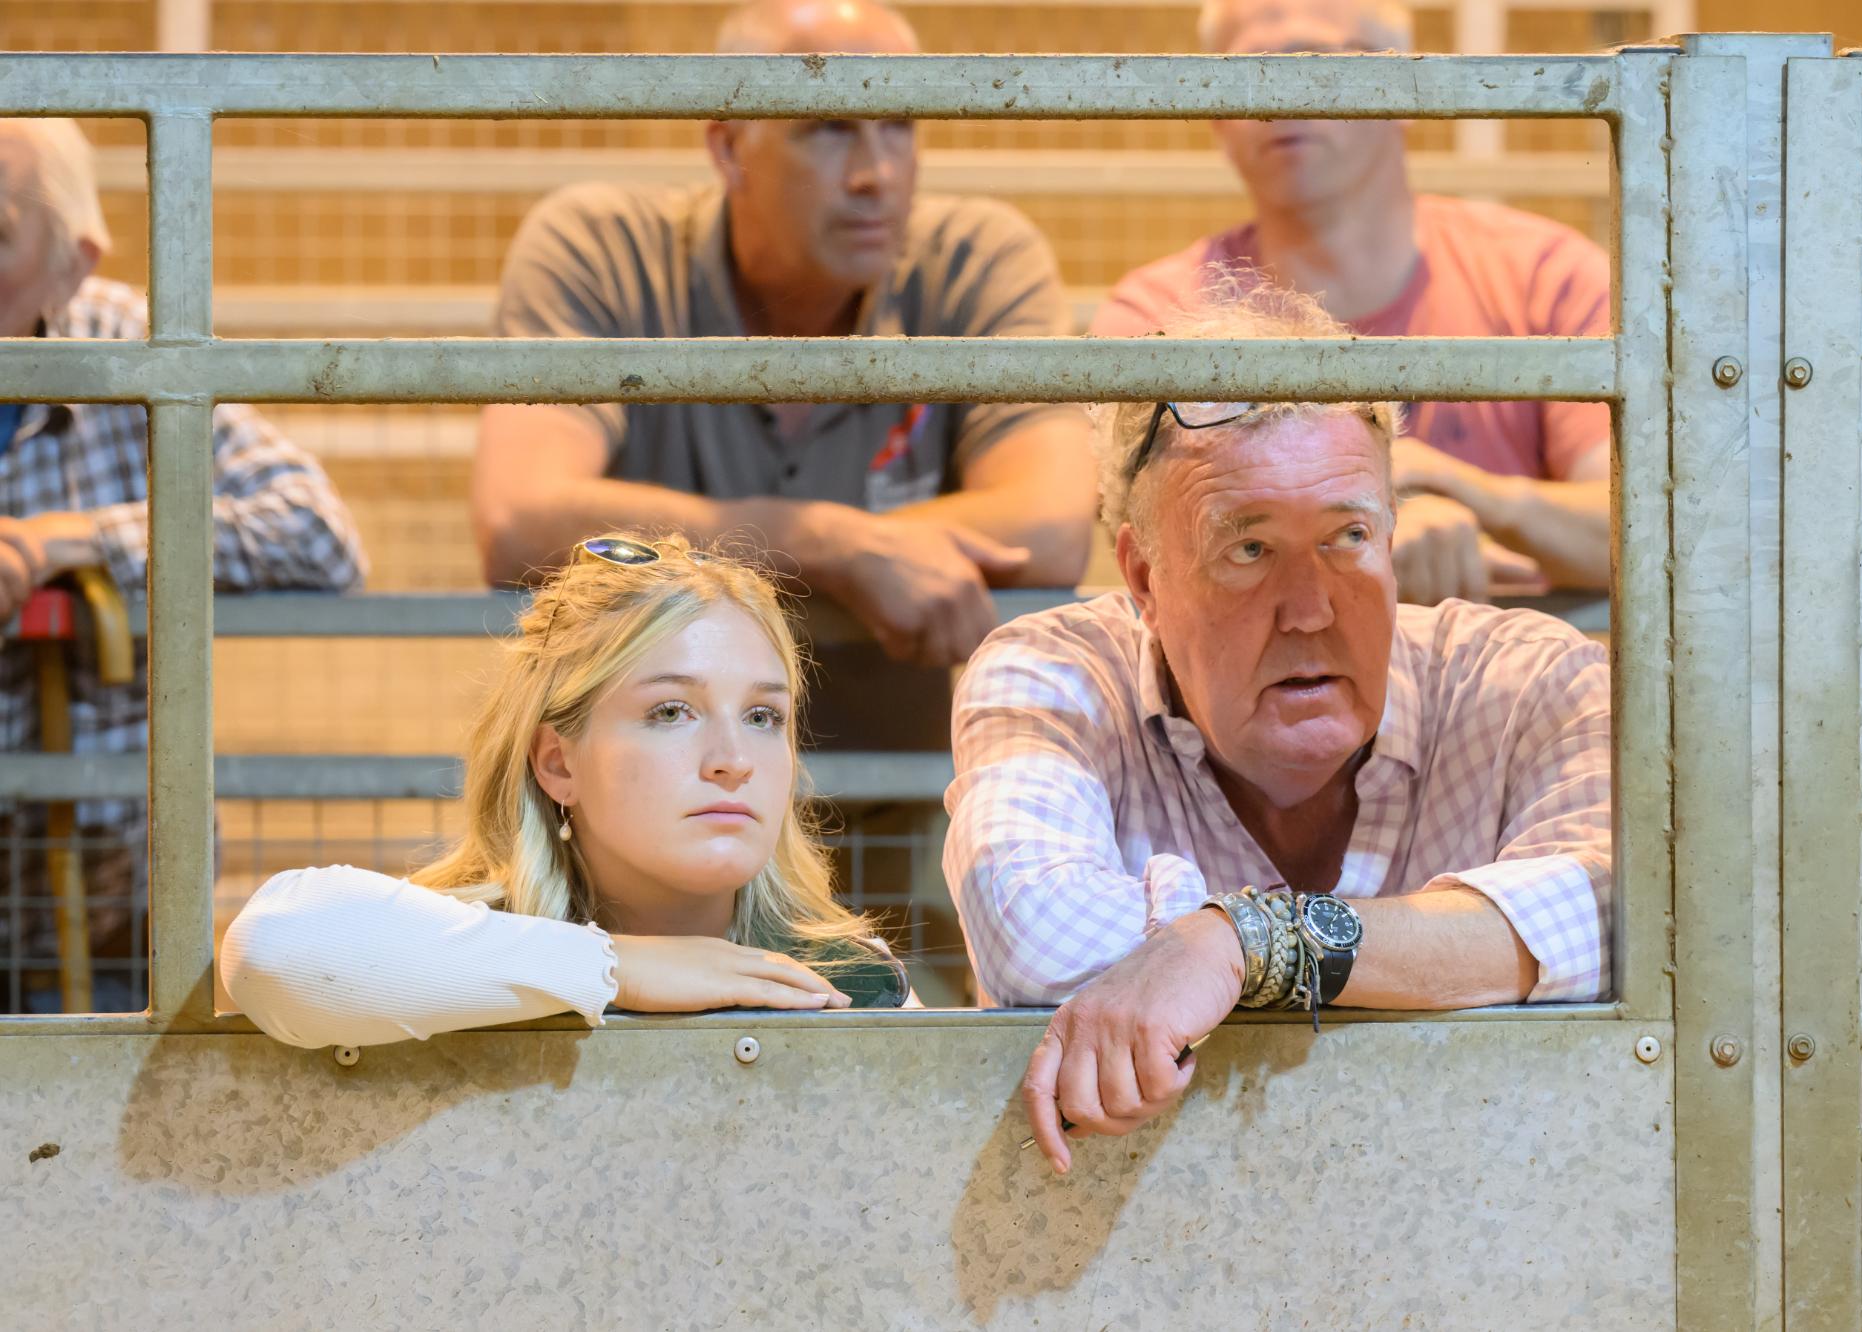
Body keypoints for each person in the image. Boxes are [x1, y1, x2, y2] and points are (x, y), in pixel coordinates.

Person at [943, 287, 1611, 1170]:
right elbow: (1037, 932)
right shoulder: (1055, 672)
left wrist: (1243, 945)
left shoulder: (1529, 680)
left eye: (1348, 537)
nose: (1308, 610)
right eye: (1248, 549)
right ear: (1143, 578)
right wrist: (1448, 950)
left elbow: (1621, 914)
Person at [475, 0, 1095, 673]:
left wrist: (722, 545)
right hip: (656, 764)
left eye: (899, 125)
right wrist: (828, 546)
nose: (876, 175)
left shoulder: (979, 262)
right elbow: (521, 520)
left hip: (900, 771)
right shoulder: (601, 250)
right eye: (826, 128)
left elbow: (1049, 526)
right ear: (729, 147)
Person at [221, 535, 912, 1048]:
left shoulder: (850, 978)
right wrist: (615, 969)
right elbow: (271, 947)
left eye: (764, 717)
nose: (734, 760)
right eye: (671, 711)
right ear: (558, 764)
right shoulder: (442, 950)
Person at [0, 117, 367, 1012]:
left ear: (71, 263)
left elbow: (319, 535)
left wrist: (63, 540)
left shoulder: (132, 346)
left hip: (112, 902)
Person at [1090, 0, 1614, 607]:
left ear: (1403, 93)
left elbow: (1652, 530)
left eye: (1316, 63)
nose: (1282, 98)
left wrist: (1465, 493)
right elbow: (1148, 553)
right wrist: (1361, 529)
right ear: (1216, 120)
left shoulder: (1543, 280)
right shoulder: (1160, 317)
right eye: (1247, 72)